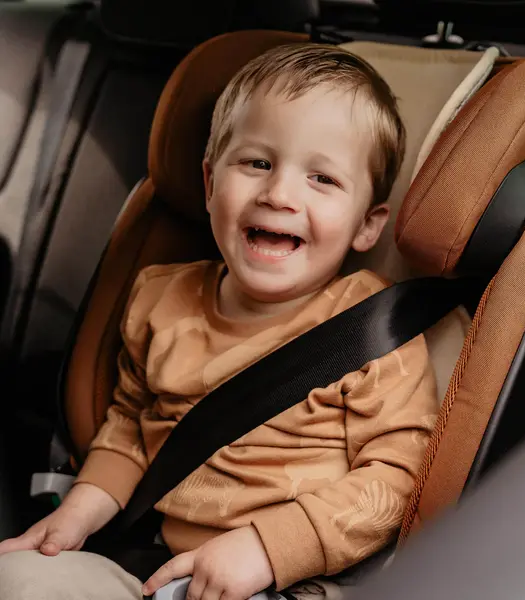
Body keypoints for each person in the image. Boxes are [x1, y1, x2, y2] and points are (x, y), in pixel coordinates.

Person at [0, 43, 438, 600]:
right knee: (18, 577)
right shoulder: (160, 297)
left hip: (291, 581)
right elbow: (132, 426)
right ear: (210, 185)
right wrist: (79, 513)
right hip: (157, 567)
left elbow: (398, 479)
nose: (279, 194)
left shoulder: (372, 328)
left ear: (368, 226)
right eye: (258, 163)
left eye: (322, 179)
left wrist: (267, 548)